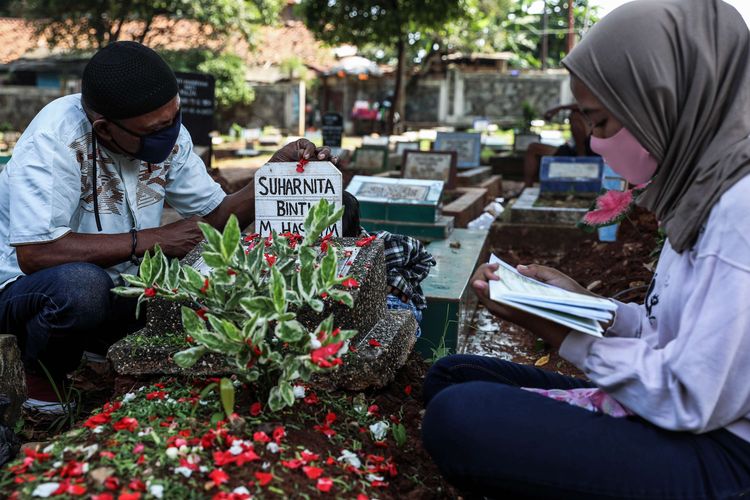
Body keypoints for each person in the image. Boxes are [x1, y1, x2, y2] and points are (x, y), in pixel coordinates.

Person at [422, 0, 750, 497]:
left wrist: (562, 333)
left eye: (600, 123)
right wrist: (589, 306)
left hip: (723, 454)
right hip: (689, 417)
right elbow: (678, 334)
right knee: (453, 375)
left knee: (458, 416)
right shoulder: (701, 187)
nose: (594, 143)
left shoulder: (738, 211)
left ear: (661, 101)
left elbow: (692, 395)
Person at [0, 42, 336, 413]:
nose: (171, 133)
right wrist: (151, 239)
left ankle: (100, 349)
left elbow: (215, 219)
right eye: (157, 128)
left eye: (174, 117)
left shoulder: (167, 134)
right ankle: (41, 382)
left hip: (117, 285)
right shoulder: (54, 140)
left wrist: (273, 173)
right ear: (106, 130)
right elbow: (36, 253)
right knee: (81, 286)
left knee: (191, 279)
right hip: (23, 291)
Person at [342, 191, 435, 335]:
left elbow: (425, 258)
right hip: (353, 308)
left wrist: (395, 279)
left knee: (388, 307)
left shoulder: (386, 243)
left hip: (394, 303)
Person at [522, 103, 597, 188]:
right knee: (532, 148)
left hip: (588, 151)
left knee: (575, 116)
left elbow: (588, 105)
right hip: (572, 149)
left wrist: (560, 108)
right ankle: (527, 188)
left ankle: (581, 157)